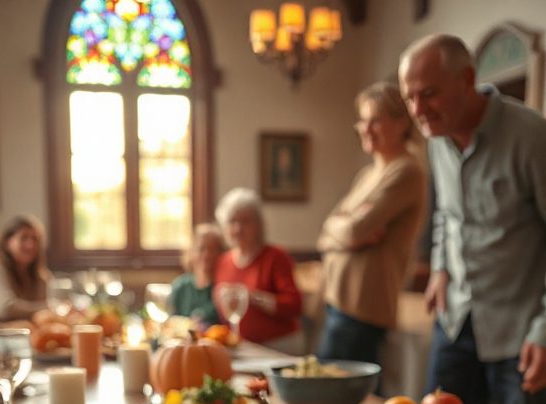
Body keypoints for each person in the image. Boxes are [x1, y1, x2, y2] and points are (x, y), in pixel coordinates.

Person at [398, 34, 546, 404]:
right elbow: (449, 214)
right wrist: (442, 267)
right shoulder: (436, 141)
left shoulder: (532, 135)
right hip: (456, 319)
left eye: (428, 94)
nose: (418, 110)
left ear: (467, 79)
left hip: (520, 334)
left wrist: (543, 330)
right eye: (409, 98)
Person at [317, 81, 427, 366]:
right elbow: (327, 232)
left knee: (337, 397)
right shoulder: (368, 174)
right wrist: (344, 231)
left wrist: (346, 229)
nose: (366, 129)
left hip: (364, 310)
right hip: (338, 303)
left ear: (402, 123)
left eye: (375, 121)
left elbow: (354, 229)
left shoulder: (406, 170)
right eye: (363, 121)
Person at [214, 187, 303, 353]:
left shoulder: (276, 257)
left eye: (245, 221)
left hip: (279, 346)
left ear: (259, 224)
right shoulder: (223, 261)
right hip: (242, 347)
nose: (238, 228)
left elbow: (294, 306)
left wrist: (252, 297)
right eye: (232, 222)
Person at [0, 214, 49, 325]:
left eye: (35, 239)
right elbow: (5, 309)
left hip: (29, 336)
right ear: (7, 242)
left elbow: (48, 303)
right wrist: (48, 307)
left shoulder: (38, 273)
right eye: (24, 237)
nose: (31, 244)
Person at [169, 223, 225, 327]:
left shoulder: (223, 286)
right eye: (201, 249)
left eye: (213, 249)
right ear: (191, 252)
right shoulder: (180, 286)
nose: (207, 255)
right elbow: (170, 324)